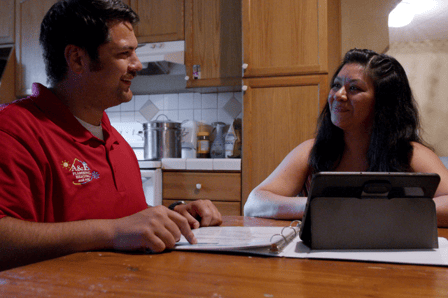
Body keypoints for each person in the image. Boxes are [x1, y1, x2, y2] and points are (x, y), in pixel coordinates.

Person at [0, 0, 222, 271]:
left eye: (135, 52)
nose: (138, 64)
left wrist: (174, 216)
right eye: (123, 53)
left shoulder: (116, 142)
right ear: (77, 59)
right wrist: (114, 231)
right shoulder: (13, 131)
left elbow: (124, 223)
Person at [244, 48, 448, 227]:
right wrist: (326, 204)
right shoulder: (311, 150)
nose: (338, 95)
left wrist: (376, 209)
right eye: (336, 85)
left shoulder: (409, 153)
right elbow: (254, 203)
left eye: (354, 88)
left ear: (383, 104)